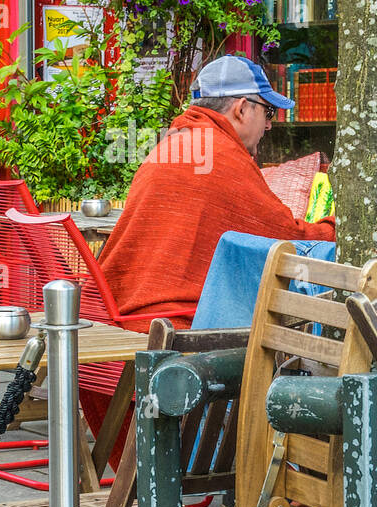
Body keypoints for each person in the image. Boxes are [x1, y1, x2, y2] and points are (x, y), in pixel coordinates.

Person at [100, 54, 336, 329]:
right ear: (242, 109)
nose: (269, 125)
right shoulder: (223, 153)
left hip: (121, 313)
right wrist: (336, 230)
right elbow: (287, 241)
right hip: (179, 324)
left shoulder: (172, 143)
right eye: (268, 112)